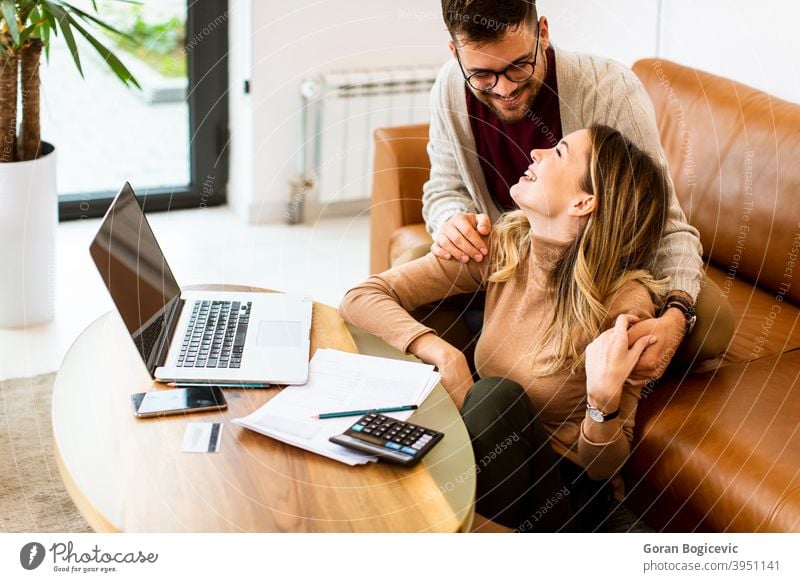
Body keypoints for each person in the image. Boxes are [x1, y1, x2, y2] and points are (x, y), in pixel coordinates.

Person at [341, 125, 669, 532]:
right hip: (485, 456)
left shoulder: (624, 304)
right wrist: (442, 352)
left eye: (559, 152)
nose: (536, 152)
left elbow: (603, 468)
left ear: (584, 202)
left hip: (563, 495)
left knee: (496, 396)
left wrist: (602, 403)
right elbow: (361, 296)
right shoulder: (504, 248)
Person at [414, 0, 733, 384]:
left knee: (710, 320)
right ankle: (491, 384)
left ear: (543, 33)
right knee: (415, 265)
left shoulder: (610, 89)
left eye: (519, 66)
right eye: (482, 75)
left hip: (598, 275)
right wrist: (453, 221)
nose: (505, 89)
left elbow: (664, 222)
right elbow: (443, 189)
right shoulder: (449, 90)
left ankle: (546, 365)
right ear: (455, 53)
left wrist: (678, 313)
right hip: (509, 264)